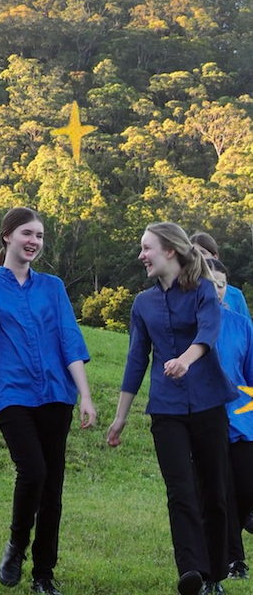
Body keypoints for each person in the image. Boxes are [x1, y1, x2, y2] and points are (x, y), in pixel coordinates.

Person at [0, 206, 96, 595]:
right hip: (12, 396)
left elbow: (70, 341)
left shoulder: (53, 287)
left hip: (56, 396)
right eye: (27, 234)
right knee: (33, 471)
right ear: (8, 236)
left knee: (53, 489)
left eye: (40, 236)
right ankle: (17, 544)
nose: (34, 242)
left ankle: (43, 575)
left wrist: (84, 395)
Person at [107, 222, 237, 595]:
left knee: (213, 491)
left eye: (146, 248)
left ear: (169, 251)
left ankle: (215, 576)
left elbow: (208, 331)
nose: (141, 256)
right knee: (180, 490)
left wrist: (185, 359)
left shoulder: (204, 290)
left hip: (209, 402)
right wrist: (120, 418)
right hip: (166, 409)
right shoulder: (142, 304)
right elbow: (136, 361)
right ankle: (191, 572)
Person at [207, 257, 253, 581]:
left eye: (221, 285)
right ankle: (233, 560)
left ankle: (228, 552)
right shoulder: (187, 324)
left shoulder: (242, 325)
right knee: (222, 492)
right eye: (209, 284)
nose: (216, 290)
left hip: (242, 418)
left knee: (246, 488)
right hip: (206, 419)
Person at [190, 232, 252, 326]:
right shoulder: (183, 291)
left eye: (202, 253)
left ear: (215, 257)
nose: (198, 258)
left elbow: (246, 328)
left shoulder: (235, 295)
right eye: (194, 254)